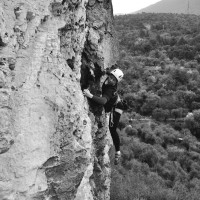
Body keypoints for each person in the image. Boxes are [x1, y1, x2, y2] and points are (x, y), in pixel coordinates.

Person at [83, 68, 127, 165]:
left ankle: (118, 152)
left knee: (112, 129)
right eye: (111, 77)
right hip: (115, 104)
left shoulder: (111, 90)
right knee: (111, 128)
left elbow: (103, 101)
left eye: (114, 80)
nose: (111, 80)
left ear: (116, 82)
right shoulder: (108, 79)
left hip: (117, 108)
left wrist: (90, 95)